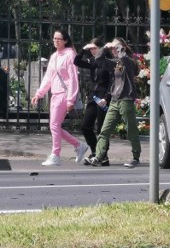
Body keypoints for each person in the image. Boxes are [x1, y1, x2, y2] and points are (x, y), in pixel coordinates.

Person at [30, 30, 89, 166]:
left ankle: (56, 155)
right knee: (54, 126)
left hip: (64, 94)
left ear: (65, 40)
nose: (55, 41)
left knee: (54, 125)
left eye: (59, 39)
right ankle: (79, 145)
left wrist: (70, 99)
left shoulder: (70, 55)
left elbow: (73, 78)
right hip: (55, 94)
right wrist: (39, 93)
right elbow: (48, 78)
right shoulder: (54, 56)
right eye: (54, 38)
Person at [88, 38, 141, 168]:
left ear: (122, 47)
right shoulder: (115, 62)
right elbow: (99, 59)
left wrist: (117, 46)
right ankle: (99, 157)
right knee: (104, 131)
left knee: (131, 130)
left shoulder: (128, 61)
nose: (114, 49)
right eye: (113, 48)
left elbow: (126, 60)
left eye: (116, 47)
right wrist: (105, 47)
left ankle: (136, 157)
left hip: (126, 100)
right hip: (115, 100)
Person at [74, 37, 113, 165]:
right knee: (85, 126)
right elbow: (77, 61)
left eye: (94, 48)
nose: (92, 51)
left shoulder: (108, 62)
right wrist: (83, 50)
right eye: (91, 49)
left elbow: (112, 82)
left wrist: (106, 98)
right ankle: (95, 151)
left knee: (102, 128)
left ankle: (103, 155)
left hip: (103, 96)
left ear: (101, 48)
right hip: (93, 96)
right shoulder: (92, 61)